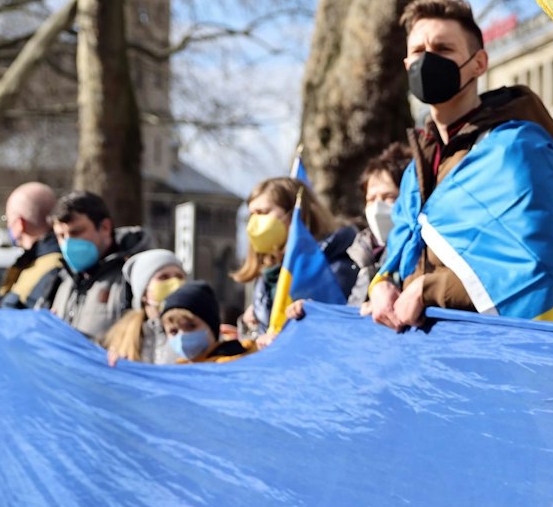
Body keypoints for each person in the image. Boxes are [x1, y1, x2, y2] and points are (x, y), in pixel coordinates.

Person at [366, 0, 553, 329]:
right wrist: (381, 285)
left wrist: (428, 290)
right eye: (418, 51)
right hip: (430, 354)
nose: (428, 60)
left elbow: (542, 267)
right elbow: (400, 257)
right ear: (406, 65)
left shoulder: (516, 150)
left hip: (500, 351)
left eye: (443, 49)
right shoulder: (414, 174)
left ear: (479, 63)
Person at [234, 177, 357, 339]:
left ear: (295, 214)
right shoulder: (268, 275)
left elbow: (336, 327)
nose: (254, 223)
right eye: (252, 214)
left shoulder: (334, 267)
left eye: (263, 212)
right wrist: (250, 329)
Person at [42, 190, 149, 343]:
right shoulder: (60, 280)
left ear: (105, 227)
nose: (67, 243)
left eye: (76, 232)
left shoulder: (134, 276)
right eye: (61, 236)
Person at [345, 143, 410, 307]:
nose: (377, 207)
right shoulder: (357, 256)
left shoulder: (418, 254)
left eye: (389, 197)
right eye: (371, 199)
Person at [103, 249, 186, 365]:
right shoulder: (122, 339)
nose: (174, 282)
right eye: (163, 277)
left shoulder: (192, 329)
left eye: (179, 276)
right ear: (143, 292)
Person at [0, 182, 61, 305]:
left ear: (19, 224)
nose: (8, 226)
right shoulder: (33, 260)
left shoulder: (49, 265)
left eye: (7, 219)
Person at [160, 281, 249, 363]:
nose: (182, 336)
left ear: (212, 327)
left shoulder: (233, 362)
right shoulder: (181, 366)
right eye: (173, 331)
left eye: (191, 326)